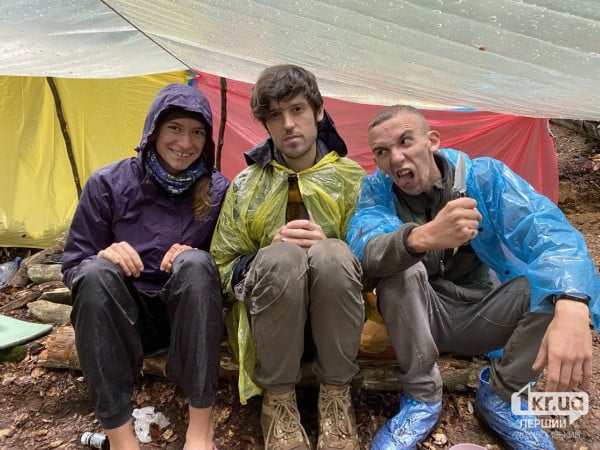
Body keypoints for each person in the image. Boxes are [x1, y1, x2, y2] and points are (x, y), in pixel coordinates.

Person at [346, 105, 599, 450]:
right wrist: (421, 238)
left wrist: (571, 300)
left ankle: (502, 396)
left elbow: (548, 231)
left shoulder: (484, 178)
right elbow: (365, 246)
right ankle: (421, 398)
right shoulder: (377, 191)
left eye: (405, 141)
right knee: (399, 269)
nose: (396, 158)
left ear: (432, 141)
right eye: (382, 151)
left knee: (546, 285)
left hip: (484, 315)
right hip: (417, 321)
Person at [61, 83, 230, 450]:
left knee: (196, 263)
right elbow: (74, 264)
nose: (185, 143)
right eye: (175, 128)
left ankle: (200, 432)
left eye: (197, 133)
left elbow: (232, 262)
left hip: (189, 320)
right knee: (94, 272)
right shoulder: (108, 184)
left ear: (207, 141)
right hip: (125, 319)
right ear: (153, 130)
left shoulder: (218, 191)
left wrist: (196, 256)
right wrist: (103, 256)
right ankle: (122, 439)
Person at [210, 64, 366, 450]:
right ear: (265, 124)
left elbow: (373, 259)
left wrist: (331, 246)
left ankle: (336, 395)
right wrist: (267, 256)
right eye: (275, 115)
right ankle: (277, 401)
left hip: (339, 330)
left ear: (318, 111)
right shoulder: (246, 186)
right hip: (269, 332)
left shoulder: (351, 179)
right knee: (281, 258)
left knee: (332, 253)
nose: (288, 124)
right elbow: (222, 265)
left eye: (297, 109)